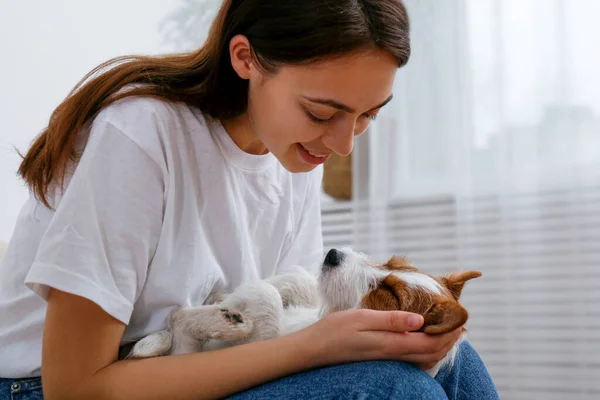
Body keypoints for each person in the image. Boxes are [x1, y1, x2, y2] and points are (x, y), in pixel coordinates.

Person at [0, 0, 499, 399]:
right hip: (43, 387)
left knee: (457, 359)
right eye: (323, 112)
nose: (345, 143)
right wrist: (314, 347)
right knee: (393, 388)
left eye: (369, 113)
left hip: (183, 362)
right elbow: (76, 387)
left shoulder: (293, 154)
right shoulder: (141, 135)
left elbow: (280, 318)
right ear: (245, 59)